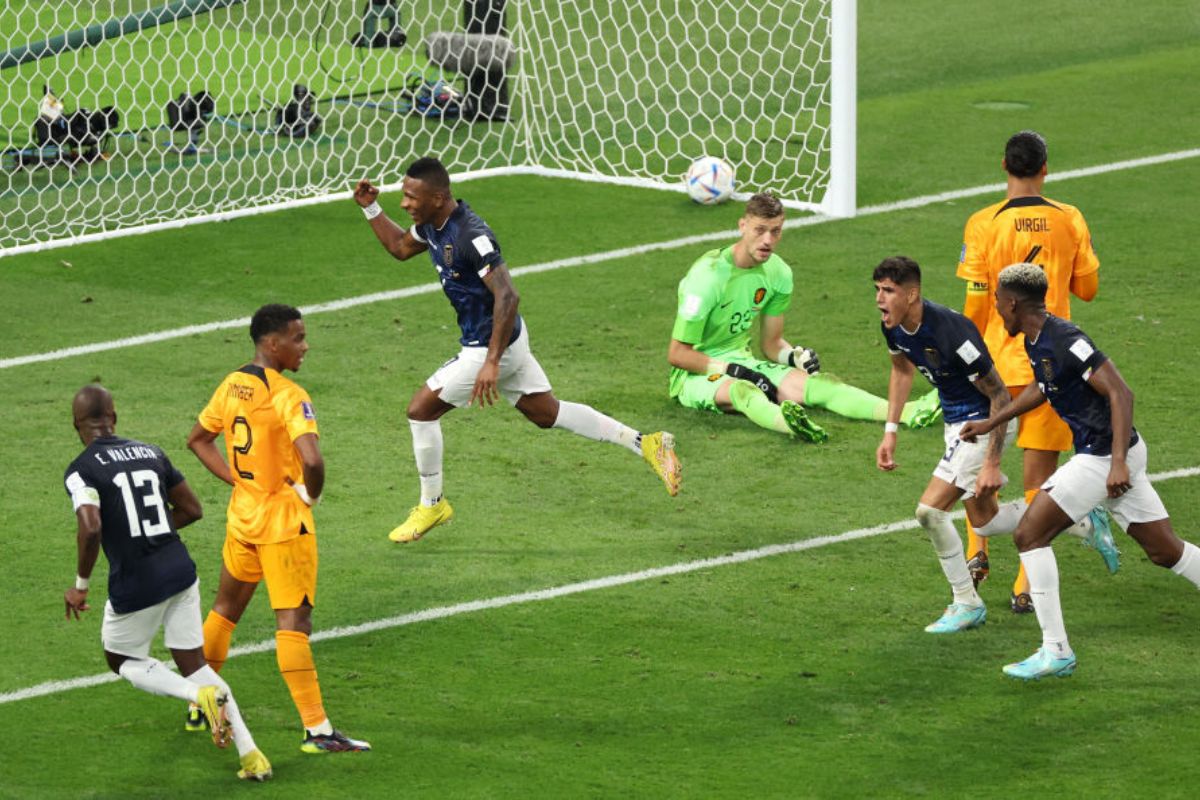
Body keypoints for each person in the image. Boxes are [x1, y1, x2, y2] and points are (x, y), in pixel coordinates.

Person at [353, 157, 682, 543]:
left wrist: (491, 363)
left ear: (439, 198)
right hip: (506, 341)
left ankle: (433, 504)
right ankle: (647, 443)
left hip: (489, 346)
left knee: (420, 410)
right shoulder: (432, 225)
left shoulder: (472, 237)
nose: (405, 203)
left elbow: (508, 296)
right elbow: (398, 247)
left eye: (411, 197)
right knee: (546, 413)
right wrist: (370, 208)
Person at [959, 264, 1200, 679]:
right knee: (1165, 551)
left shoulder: (1067, 340)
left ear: (1013, 303)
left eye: (998, 300)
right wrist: (992, 422)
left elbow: (1122, 393)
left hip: (1106, 457)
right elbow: (1043, 386)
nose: (995, 307)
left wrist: (1118, 462)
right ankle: (1090, 520)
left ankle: (1057, 650)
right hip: (1110, 456)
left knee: (1028, 535)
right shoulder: (1036, 339)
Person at [872, 257, 1112, 633]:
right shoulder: (895, 328)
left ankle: (966, 601)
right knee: (984, 523)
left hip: (983, 422)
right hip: (956, 426)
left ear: (913, 293)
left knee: (929, 513)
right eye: (877, 290)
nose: (879, 299)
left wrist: (991, 463)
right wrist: (890, 430)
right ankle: (1078, 519)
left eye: (888, 291)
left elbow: (999, 395)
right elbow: (901, 371)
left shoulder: (952, 333)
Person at [63, 384, 272, 782]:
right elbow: (192, 509)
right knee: (193, 662)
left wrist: (80, 585)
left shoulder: (81, 470)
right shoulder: (151, 452)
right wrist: (152, 532)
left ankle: (198, 698)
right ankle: (252, 756)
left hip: (138, 581)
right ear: (114, 417)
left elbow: (90, 528)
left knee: (121, 659)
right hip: (180, 571)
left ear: (77, 425)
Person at [186, 304, 371, 753]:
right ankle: (318, 730)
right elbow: (312, 459)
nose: (305, 346)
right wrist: (310, 496)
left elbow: (197, 439)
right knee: (294, 623)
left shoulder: (232, 384)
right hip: (284, 525)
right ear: (273, 343)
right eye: (298, 337)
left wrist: (236, 478)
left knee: (225, 610)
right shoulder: (288, 393)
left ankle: (198, 701)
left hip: (243, 516)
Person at [956, 130, 1114, 611]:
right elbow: (1087, 289)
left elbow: (976, 304)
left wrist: (970, 361)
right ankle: (1024, 584)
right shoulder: (1069, 219)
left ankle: (976, 550)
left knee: (975, 462)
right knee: (1036, 476)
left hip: (997, 367)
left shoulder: (983, 223)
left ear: (1004, 164)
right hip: (1053, 363)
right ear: (1046, 167)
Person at [669, 193, 941, 441]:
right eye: (760, 230)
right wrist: (731, 370)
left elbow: (771, 344)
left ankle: (905, 412)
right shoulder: (707, 277)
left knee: (822, 387)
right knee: (743, 391)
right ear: (743, 227)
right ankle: (791, 426)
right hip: (694, 376)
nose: (768, 240)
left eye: (775, 232)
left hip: (743, 361)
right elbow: (678, 354)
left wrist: (793, 356)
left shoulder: (778, 273)